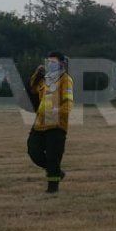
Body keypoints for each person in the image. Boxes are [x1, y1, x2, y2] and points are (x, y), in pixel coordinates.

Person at [27, 52, 74, 193]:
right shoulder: (45, 79)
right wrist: (37, 74)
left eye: (53, 62)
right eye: (48, 62)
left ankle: (52, 189)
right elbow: (33, 88)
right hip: (40, 123)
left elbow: (68, 102)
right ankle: (57, 171)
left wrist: (58, 111)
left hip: (56, 124)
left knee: (54, 156)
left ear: (61, 64)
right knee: (33, 151)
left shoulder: (66, 80)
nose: (50, 64)